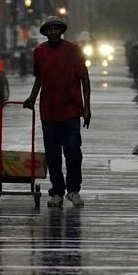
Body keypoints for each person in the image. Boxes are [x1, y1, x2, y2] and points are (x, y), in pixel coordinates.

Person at [23, 16, 90, 205]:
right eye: (50, 29)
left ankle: (74, 189)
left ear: (61, 31)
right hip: (49, 111)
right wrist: (32, 97)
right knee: (52, 153)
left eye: (56, 29)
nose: (53, 32)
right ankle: (57, 191)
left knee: (72, 150)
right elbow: (40, 78)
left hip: (71, 110)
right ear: (46, 32)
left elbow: (84, 79)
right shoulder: (39, 52)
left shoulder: (73, 50)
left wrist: (86, 108)